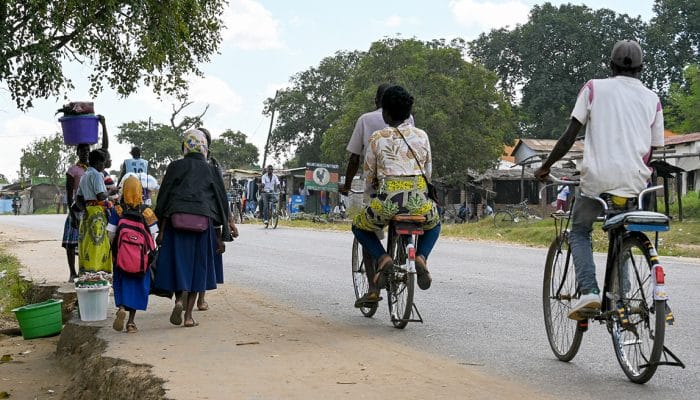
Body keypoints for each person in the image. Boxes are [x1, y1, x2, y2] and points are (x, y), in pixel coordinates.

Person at [534, 40, 665, 320]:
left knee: (580, 231)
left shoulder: (594, 88)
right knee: (625, 233)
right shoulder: (653, 99)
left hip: (597, 181)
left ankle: (590, 292)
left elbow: (569, 136)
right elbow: (653, 149)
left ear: (610, 66)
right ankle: (623, 299)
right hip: (634, 182)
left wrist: (545, 166)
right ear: (641, 69)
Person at [351, 85, 441, 306]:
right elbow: (427, 173)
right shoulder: (422, 136)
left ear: (386, 113)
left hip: (388, 203)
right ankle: (420, 257)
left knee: (359, 226)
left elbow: (369, 176)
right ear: (408, 113)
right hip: (419, 202)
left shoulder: (377, 137)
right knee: (435, 224)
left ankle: (383, 258)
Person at [340, 84, 415, 307]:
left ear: (380, 105)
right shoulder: (412, 124)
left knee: (365, 228)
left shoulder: (368, 123)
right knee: (408, 217)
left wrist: (346, 184)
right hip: (411, 192)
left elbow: (356, 160)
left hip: (379, 194)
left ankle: (374, 284)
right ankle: (409, 254)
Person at [153, 129, 233, 328]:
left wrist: (160, 227)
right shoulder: (211, 169)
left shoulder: (175, 166)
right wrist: (226, 226)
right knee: (198, 269)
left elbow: (164, 196)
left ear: (185, 147)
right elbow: (221, 199)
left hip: (176, 222)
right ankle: (188, 316)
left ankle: (178, 300)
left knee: (180, 265)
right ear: (205, 147)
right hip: (202, 224)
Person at [107, 176, 158, 333]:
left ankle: (121, 307)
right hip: (140, 260)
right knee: (137, 287)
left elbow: (110, 234)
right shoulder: (147, 211)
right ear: (139, 191)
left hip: (121, 258)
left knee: (121, 283)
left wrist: (115, 251)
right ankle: (131, 322)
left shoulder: (117, 210)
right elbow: (154, 234)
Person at [75, 149, 113, 273]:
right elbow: (101, 195)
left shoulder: (84, 175)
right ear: (98, 163)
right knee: (98, 243)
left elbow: (78, 198)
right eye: (103, 163)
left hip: (87, 212)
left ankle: (86, 271)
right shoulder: (96, 175)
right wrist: (111, 192)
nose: (103, 167)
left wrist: (84, 210)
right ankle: (97, 271)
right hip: (97, 211)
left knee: (87, 243)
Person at [62, 143, 90, 281]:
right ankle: (72, 273)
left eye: (87, 150)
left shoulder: (93, 169)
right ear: (77, 152)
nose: (85, 153)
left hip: (90, 210)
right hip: (76, 209)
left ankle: (85, 271)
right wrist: (71, 213)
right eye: (83, 151)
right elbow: (68, 193)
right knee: (71, 243)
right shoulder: (73, 170)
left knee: (88, 243)